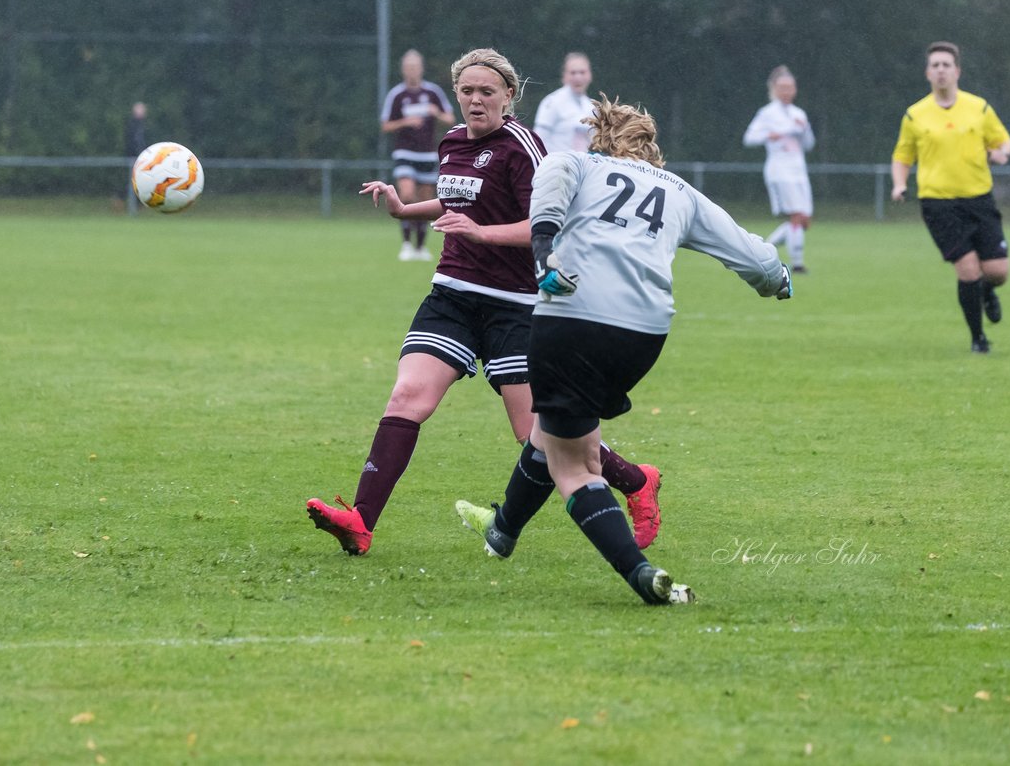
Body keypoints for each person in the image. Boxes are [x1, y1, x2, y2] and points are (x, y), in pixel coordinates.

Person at [307, 50, 662, 556]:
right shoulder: (451, 141)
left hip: (514, 306)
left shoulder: (523, 147)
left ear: (509, 97)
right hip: (451, 295)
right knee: (407, 397)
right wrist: (404, 207)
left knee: (534, 433)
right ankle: (360, 521)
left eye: (487, 92)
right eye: (468, 91)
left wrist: (481, 233)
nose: (476, 100)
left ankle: (636, 481)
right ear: (456, 93)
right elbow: (460, 201)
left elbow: (548, 224)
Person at [456, 94, 792, 604]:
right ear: (651, 150)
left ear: (601, 138)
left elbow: (548, 191)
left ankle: (642, 574)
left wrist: (545, 251)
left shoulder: (577, 162)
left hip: (570, 318)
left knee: (576, 466)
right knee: (553, 431)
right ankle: (502, 530)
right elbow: (755, 257)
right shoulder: (680, 191)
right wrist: (778, 281)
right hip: (642, 335)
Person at [891, 41, 1010, 354]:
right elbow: (902, 156)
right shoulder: (915, 115)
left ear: (957, 71)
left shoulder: (979, 108)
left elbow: (1002, 142)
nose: (941, 70)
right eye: (935, 65)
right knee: (968, 269)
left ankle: (987, 291)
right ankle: (978, 339)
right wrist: (899, 184)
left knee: (997, 271)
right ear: (927, 73)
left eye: (947, 65)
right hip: (939, 203)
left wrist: (1000, 153)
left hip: (979, 199)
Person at [380, 50, 455, 261]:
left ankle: (420, 247)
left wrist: (436, 113)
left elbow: (449, 118)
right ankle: (405, 244)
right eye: (408, 67)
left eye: (415, 66)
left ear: (421, 68)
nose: (412, 71)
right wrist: (406, 122)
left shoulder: (433, 93)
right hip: (404, 152)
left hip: (427, 154)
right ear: (403, 70)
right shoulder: (397, 95)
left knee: (424, 201)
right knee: (406, 195)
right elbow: (385, 125)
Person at [742, 65, 815, 273]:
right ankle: (798, 264)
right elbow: (749, 138)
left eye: (790, 87)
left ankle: (762, 250)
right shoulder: (767, 113)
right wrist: (768, 135)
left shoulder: (798, 113)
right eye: (782, 87)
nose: (787, 91)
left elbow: (808, 145)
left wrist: (805, 128)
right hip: (779, 170)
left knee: (804, 221)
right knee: (796, 216)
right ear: (774, 88)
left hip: (798, 170)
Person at [533, 52, 594, 154]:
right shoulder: (552, 102)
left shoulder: (591, 107)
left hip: (583, 167)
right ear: (564, 76)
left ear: (590, 75)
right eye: (573, 73)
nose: (578, 77)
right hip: (556, 166)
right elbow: (538, 140)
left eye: (582, 72)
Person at [117, 101, 147, 213]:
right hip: (134, 158)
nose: (143, 112)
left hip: (141, 158)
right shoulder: (133, 125)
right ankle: (120, 199)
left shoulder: (141, 126)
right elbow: (132, 143)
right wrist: (135, 155)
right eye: (141, 110)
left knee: (138, 181)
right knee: (132, 181)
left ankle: (136, 204)